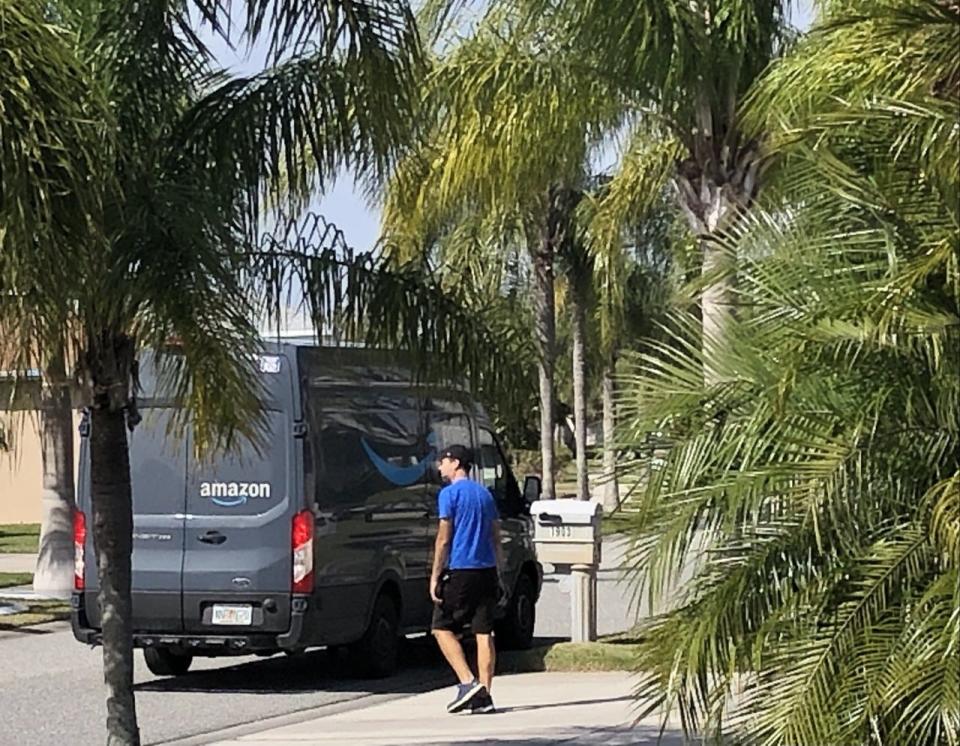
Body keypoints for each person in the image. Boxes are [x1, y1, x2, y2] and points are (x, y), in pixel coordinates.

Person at [430, 444, 504, 714]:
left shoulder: (449, 495)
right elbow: (496, 537)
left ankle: (467, 682)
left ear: (456, 462)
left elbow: (444, 538)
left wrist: (435, 575)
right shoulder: (485, 494)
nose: (440, 466)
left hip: (461, 569)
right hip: (486, 570)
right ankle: (485, 695)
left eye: (443, 461)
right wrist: (500, 572)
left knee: (441, 627)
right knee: (483, 632)